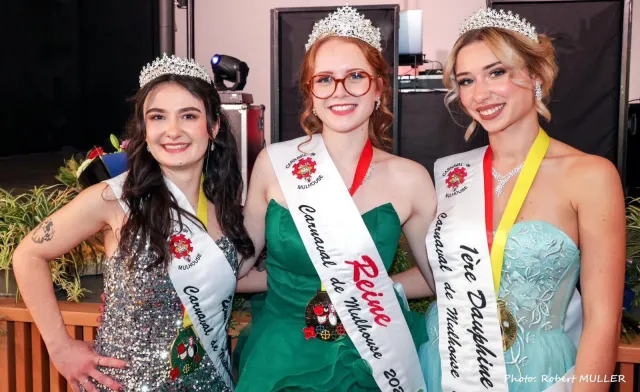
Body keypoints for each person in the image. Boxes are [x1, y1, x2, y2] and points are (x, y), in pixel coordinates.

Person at [12, 54, 254, 392]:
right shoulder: (115, 198)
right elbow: (27, 256)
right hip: (124, 384)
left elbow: (232, 276)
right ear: (144, 127)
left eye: (188, 116)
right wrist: (60, 347)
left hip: (209, 382)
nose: (172, 131)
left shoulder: (225, 207)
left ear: (213, 127)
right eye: (158, 117)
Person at [418, 8, 626, 391]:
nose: (480, 94)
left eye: (496, 72)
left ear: (535, 75)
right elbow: (439, 274)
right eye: (466, 80)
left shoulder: (590, 176)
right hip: (449, 365)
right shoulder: (451, 174)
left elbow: (603, 319)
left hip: (539, 373)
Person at [233, 5, 436, 392]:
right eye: (324, 79)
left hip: (373, 355)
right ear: (311, 93)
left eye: (356, 76)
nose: (339, 91)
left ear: (379, 88)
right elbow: (238, 263)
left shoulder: (411, 179)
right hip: (281, 357)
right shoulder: (275, 165)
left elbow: (438, 278)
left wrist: (375, 290)